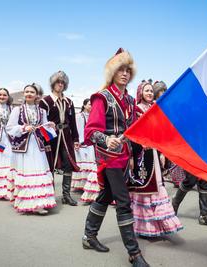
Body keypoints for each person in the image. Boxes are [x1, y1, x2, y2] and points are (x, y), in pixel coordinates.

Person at [81, 48, 150, 266]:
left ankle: (88, 236)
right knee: (123, 201)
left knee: (105, 195)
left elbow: (130, 130)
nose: (124, 73)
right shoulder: (102, 98)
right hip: (108, 157)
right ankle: (134, 253)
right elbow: (90, 131)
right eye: (120, 69)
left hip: (123, 156)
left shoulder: (130, 100)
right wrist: (106, 139)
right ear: (112, 72)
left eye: (128, 70)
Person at [128, 81, 183, 238]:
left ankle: (159, 225)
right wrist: (131, 156)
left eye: (151, 91)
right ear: (140, 92)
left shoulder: (155, 109)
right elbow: (132, 135)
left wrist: (162, 152)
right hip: (141, 155)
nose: (150, 93)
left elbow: (160, 133)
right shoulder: (136, 109)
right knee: (144, 190)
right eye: (147, 90)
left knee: (157, 186)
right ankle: (145, 228)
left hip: (154, 153)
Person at [6, 83, 56, 215]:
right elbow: (9, 128)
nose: (29, 94)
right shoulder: (17, 110)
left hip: (38, 146)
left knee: (38, 172)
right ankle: (23, 200)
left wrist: (50, 126)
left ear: (36, 95)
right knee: (26, 172)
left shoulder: (42, 111)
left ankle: (38, 204)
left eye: (32, 92)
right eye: (26, 91)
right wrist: (23, 128)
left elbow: (44, 129)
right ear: (24, 94)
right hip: (23, 146)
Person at [39, 71, 80, 206]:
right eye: (58, 82)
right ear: (53, 84)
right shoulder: (45, 101)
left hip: (66, 136)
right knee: (50, 165)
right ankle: (49, 195)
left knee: (68, 164)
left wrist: (76, 139)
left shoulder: (69, 102)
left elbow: (73, 121)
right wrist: (45, 141)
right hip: (52, 137)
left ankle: (66, 195)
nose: (60, 84)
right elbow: (42, 122)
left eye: (63, 82)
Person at [72, 98, 100, 204]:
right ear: (84, 105)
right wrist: (78, 141)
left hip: (91, 143)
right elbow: (78, 129)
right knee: (83, 163)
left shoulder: (93, 116)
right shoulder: (79, 116)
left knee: (90, 163)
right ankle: (81, 185)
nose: (91, 106)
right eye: (89, 104)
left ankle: (87, 185)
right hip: (82, 143)